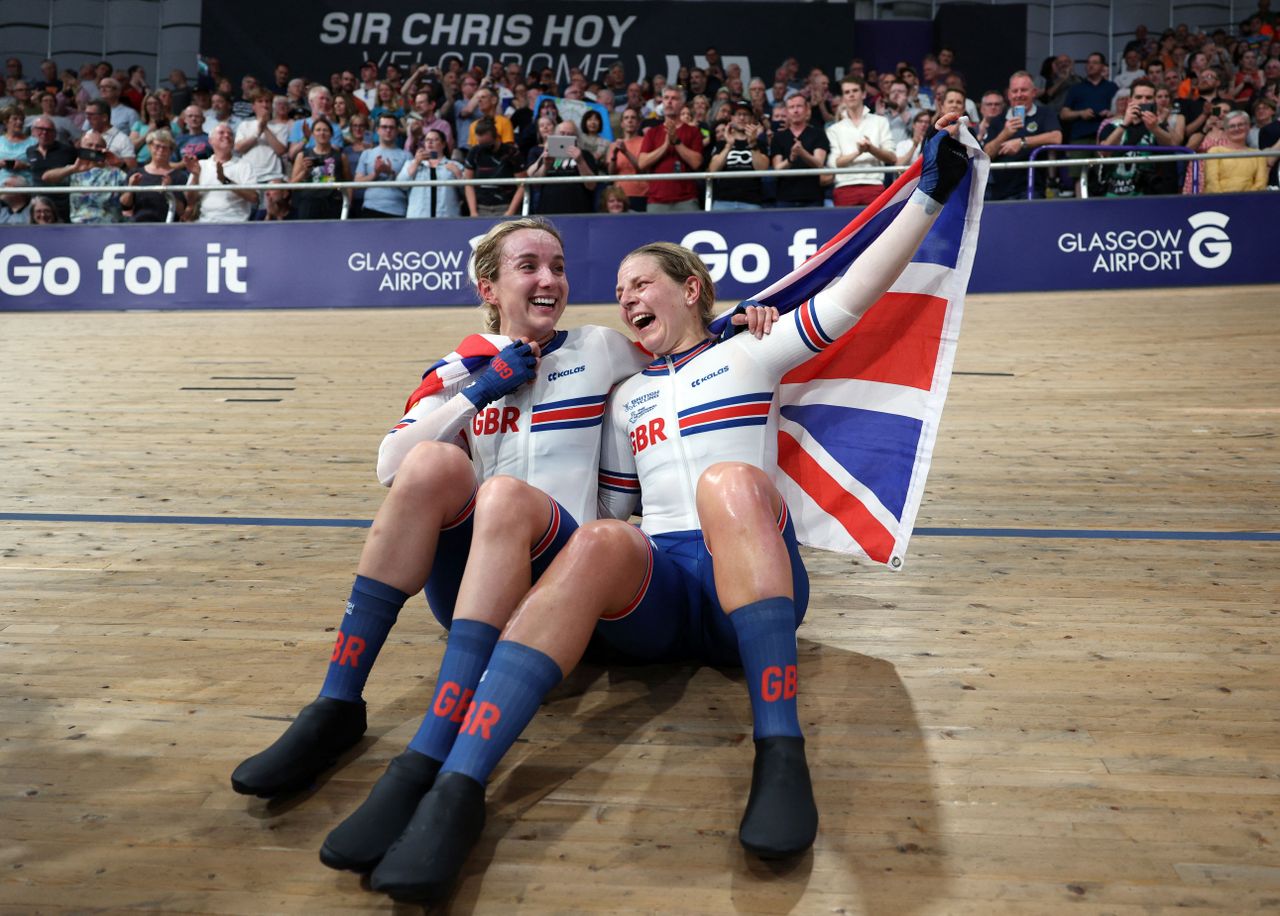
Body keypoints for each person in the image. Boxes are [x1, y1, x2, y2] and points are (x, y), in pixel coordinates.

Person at [354, 114, 973, 905]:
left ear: (690, 289)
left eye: (641, 282)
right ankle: (456, 787)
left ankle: (780, 750)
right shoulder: (627, 394)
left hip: (751, 561)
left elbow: (852, 291)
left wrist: (924, 197)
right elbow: (614, 509)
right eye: (617, 293)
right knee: (606, 538)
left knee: (731, 484)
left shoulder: (754, 348)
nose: (625, 298)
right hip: (673, 588)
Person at [230, 218, 653, 801]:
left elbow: (681, 354)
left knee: (502, 496)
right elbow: (391, 465)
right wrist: (477, 394)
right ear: (488, 289)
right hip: (475, 583)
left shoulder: (599, 348)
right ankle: (337, 701)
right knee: (432, 463)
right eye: (527, 266)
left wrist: (742, 321)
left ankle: (435, 738)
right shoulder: (464, 367)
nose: (549, 278)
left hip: (561, 575)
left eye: (557, 265)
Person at [983, 70, 1063, 200]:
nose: (1019, 95)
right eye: (1015, 91)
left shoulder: (1045, 113)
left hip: (1032, 190)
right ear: (1008, 94)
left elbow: (1056, 137)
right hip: (1000, 192)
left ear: (1034, 93)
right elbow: (986, 154)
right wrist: (1005, 134)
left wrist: (1021, 142)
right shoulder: (998, 120)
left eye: (1023, 90)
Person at [1098, 79, 1179, 196]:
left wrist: (1155, 128)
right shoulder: (1112, 125)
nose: (1143, 101)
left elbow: (1171, 147)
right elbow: (1104, 152)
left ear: (1154, 102)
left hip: (1147, 196)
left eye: (1148, 98)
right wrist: (1124, 124)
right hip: (1113, 195)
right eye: (1139, 97)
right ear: (1130, 100)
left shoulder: (1157, 127)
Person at [826, 76, 894, 206]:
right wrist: (858, 152)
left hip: (874, 185)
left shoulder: (880, 122)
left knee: (877, 227)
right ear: (843, 98)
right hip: (844, 187)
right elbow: (834, 163)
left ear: (863, 94)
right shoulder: (834, 129)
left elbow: (891, 157)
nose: (851, 95)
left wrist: (871, 149)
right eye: (847, 92)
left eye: (855, 90)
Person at [638, 86, 704, 212]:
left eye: (674, 98)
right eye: (666, 98)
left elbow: (696, 163)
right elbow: (642, 163)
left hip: (686, 199)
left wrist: (676, 142)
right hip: (657, 199)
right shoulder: (652, 132)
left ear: (682, 103)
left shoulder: (693, 132)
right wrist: (665, 146)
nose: (669, 102)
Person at [186, 122, 256, 223]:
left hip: (237, 224)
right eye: (221, 133)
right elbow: (191, 201)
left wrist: (226, 181)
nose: (227, 135)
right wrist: (196, 176)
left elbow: (254, 197)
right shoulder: (201, 165)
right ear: (210, 141)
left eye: (230, 134)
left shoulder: (244, 165)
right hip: (206, 223)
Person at [770, 92, 830, 207]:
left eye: (799, 106)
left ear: (807, 109)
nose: (795, 110)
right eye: (791, 107)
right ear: (787, 112)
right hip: (785, 198)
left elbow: (819, 164)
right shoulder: (778, 137)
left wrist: (803, 153)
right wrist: (791, 158)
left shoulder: (818, 134)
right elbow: (777, 169)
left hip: (813, 197)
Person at [706, 101, 769, 210]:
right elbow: (713, 170)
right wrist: (729, 145)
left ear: (752, 119)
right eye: (738, 114)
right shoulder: (722, 143)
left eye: (746, 114)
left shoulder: (760, 144)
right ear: (732, 118)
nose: (742, 117)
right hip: (723, 201)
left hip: (751, 201)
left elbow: (762, 169)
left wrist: (753, 144)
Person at [527, 120, 597, 215]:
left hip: (578, 211)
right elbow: (535, 184)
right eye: (562, 133)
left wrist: (580, 161)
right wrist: (545, 166)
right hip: (549, 211)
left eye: (570, 134)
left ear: (576, 138)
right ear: (555, 135)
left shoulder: (585, 155)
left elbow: (591, 185)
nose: (565, 137)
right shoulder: (547, 155)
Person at [289, 117, 349, 220]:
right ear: (312, 134)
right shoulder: (303, 155)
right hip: (308, 203)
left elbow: (348, 182)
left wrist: (348, 203)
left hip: (333, 203)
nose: (322, 133)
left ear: (331, 134)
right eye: (318, 130)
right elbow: (292, 185)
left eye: (325, 130)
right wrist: (304, 172)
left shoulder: (341, 156)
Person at [463, 119, 525, 217]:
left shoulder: (511, 153)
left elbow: (522, 184)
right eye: (480, 143)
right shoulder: (474, 152)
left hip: (505, 206)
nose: (483, 148)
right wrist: (473, 212)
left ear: (496, 137)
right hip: (481, 208)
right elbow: (468, 183)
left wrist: (510, 212)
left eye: (486, 144)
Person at [122, 129, 188, 221]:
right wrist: (131, 188)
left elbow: (181, 211)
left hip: (169, 228)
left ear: (171, 151)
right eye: (157, 146)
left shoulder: (180, 176)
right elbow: (125, 205)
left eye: (165, 147)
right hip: (140, 226)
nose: (161, 150)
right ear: (149, 147)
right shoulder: (135, 173)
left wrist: (169, 191)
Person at [354, 113, 411, 219]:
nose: (388, 130)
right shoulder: (367, 153)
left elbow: (410, 185)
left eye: (392, 127)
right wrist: (375, 173)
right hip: (370, 208)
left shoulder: (406, 155)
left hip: (398, 210)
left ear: (397, 131)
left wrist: (391, 173)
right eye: (384, 127)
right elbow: (357, 183)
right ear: (377, 130)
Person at [400, 128, 463, 219]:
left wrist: (458, 173)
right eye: (427, 140)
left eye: (435, 140)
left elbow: (466, 192)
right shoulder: (411, 163)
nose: (430, 142)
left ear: (443, 144)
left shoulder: (455, 165)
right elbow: (402, 185)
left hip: (447, 218)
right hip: (418, 218)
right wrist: (416, 163)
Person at [1204, 109, 1271, 190]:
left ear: (1248, 127)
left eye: (1241, 125)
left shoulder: (1258, 154)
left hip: (1250, 200)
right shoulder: (1215, 152)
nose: (1237, 129)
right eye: (1232, 126)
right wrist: (1223, 200)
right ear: (1225, 130)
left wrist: (1246, 199)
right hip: (1220, 200)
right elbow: (1211, 182)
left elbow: (1261, 183)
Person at [233, 91, 289, 182]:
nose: (264, 104)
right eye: (260, 101)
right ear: (253, 107)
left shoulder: (281, 127)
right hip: (249, 176)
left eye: (267, 101)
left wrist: (265, 127)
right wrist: (257, 133)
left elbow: (281, 150)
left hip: (273, 176)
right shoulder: (245, 125)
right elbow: (238, 148)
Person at [604, 107, 648, 211]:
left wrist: (625, 152)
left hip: (640, 194)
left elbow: (642, 169)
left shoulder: (645, 142)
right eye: (626, 118)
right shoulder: (613, 145)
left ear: (638, 123)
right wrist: (614, 155)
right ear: (622, 123)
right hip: (619, 196)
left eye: (633, 118)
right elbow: (611, 174)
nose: (630, 120)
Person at [0, 106, 35, 183]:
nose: (19, 122)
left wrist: (25, 165)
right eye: (15, 119)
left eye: (21, 119)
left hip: (25, 181)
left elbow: (41, 165)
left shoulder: (33, 142)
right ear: (6, 121)